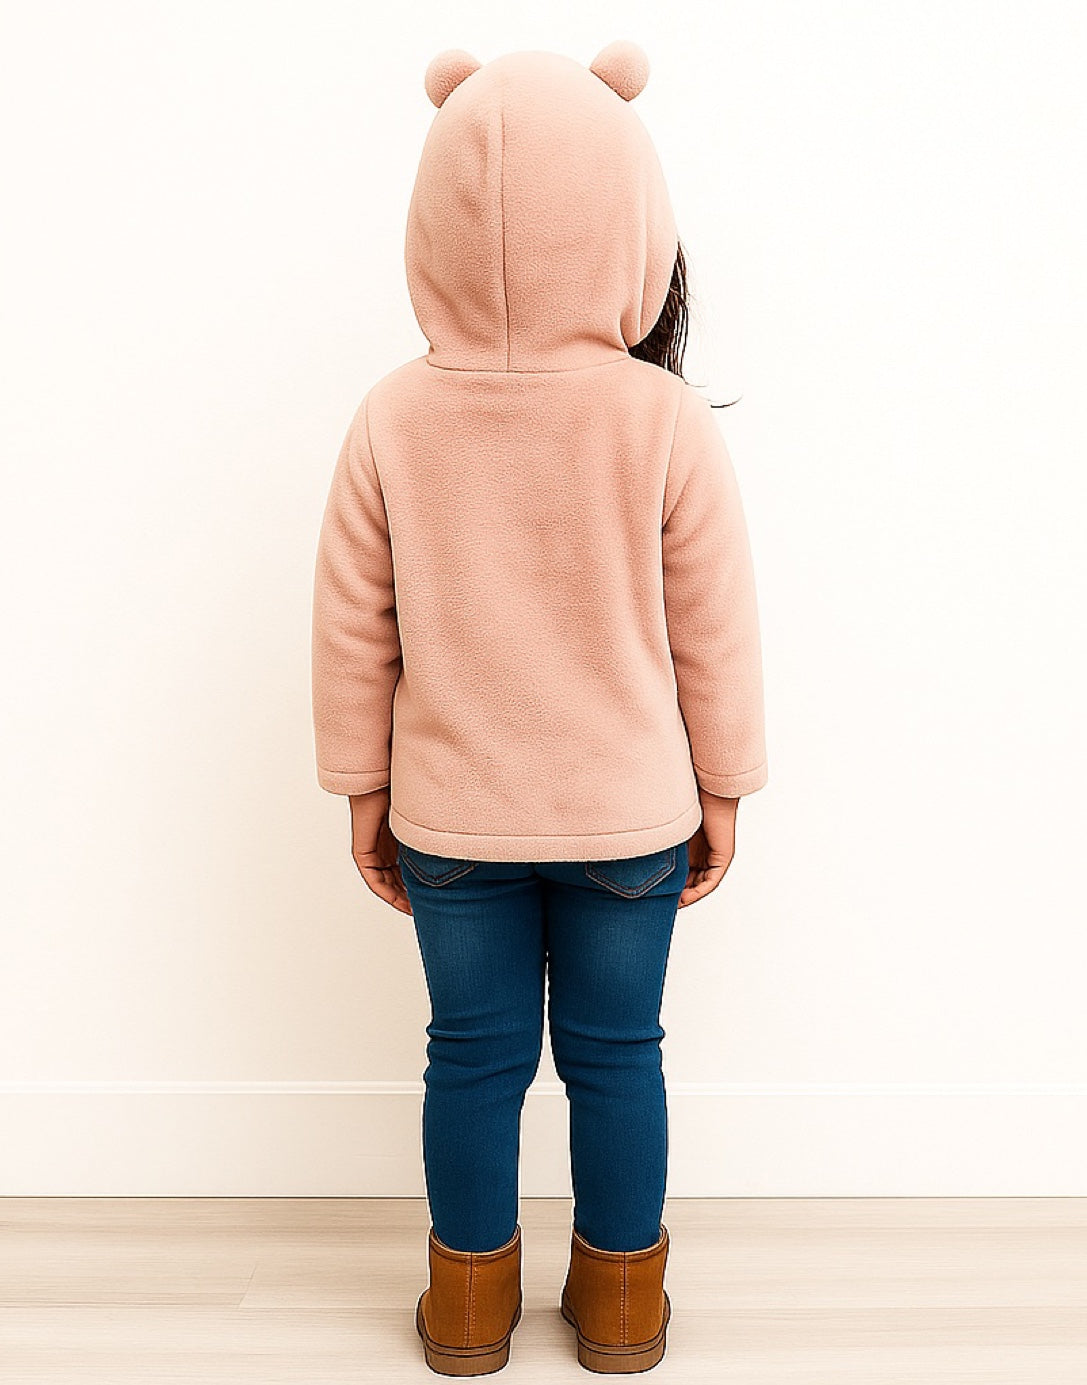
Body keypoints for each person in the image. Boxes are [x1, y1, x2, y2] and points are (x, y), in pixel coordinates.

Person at [311, 40, 767, 1376]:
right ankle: (622, 1309)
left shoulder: (391, 419)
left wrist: (363, 787)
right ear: (634, 212)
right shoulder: (664, 421)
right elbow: (716, 629)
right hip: (630, 814)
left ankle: (464, 1310)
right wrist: (724, 785)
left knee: (472, 1057)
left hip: (455, 819)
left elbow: (352, 628)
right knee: (620, 1056)